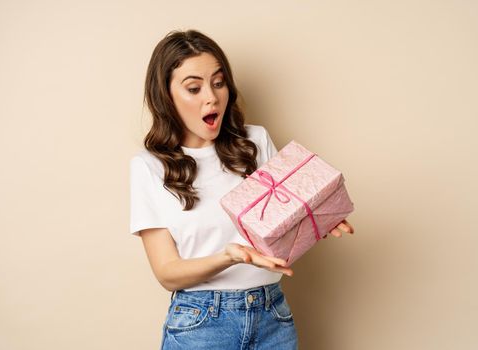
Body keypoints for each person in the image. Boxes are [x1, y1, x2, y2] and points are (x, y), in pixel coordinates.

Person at [129, 29, 354, 350]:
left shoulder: (255, 142)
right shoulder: (148, 166)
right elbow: (168, 273)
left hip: (272, 315)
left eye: (219, 83)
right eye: (194, 88)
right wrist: (229, 257)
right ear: (166, 96)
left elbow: (283, 227)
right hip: (201, 324)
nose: (212, 97)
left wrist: (318, 215)